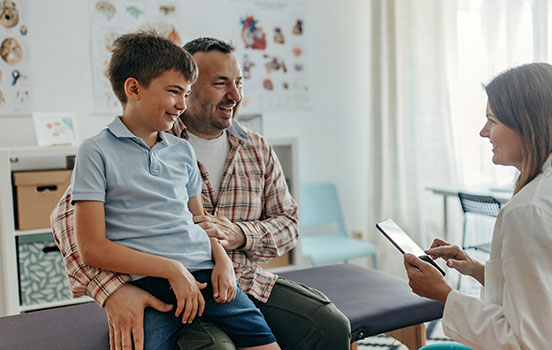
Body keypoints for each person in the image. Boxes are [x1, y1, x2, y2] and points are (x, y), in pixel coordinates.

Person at [51, 36, 350, 350]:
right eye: (220, 83)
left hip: (238, 280)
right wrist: (111, 290)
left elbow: (289, 225)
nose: (234, 95)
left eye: (238, 82)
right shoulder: (122, 145)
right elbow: (68, 226)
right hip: (161, 284)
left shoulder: (255, 148)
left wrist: (239, 235)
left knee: (329, 324)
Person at [70, 32, 279, 350]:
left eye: (186, 93)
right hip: (149, 284)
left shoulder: (181, 151)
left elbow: (198, 220)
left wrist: (221, 259)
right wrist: (171, 269)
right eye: (174, 92)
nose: (182, 105)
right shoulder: (95, 151)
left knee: (265, 344)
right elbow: (92, 248)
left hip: (207, 275)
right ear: (134, 88)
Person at [403, 63, 552, 349]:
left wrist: (444, 295)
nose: (483, 132)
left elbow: (528, 343)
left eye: (493, 120)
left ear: (528, 126)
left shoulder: (531, 211)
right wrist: (477, 270)